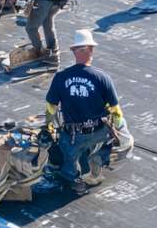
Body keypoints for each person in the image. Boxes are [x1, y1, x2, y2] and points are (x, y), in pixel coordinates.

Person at [45, 29, 125, 195]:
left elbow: (51, 107)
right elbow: (115, 111)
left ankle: (76, 181)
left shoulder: (61, 77)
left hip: (74, 135)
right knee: (100, 147)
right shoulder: (103, 78)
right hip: (99, 132)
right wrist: (119, 129)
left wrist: (49, 126)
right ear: (91, 50)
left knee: (69, 157)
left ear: (74, 51)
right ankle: (95, 170)